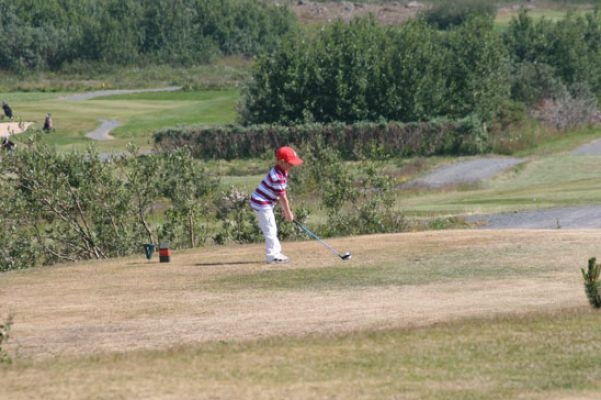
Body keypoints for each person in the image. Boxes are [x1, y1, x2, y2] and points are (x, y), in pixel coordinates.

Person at [250, 146, 304, 264]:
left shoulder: (282, 171)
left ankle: (276, 253)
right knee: (270, 228)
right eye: (290, 163)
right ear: (281, 162)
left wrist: (285, 211)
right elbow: (283, 197)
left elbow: (278, 195)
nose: (292, 165)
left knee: (271, 228)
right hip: (261, 202)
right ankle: (272, 256)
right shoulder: (277, 176)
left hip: (265, 202)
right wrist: (288, 213)